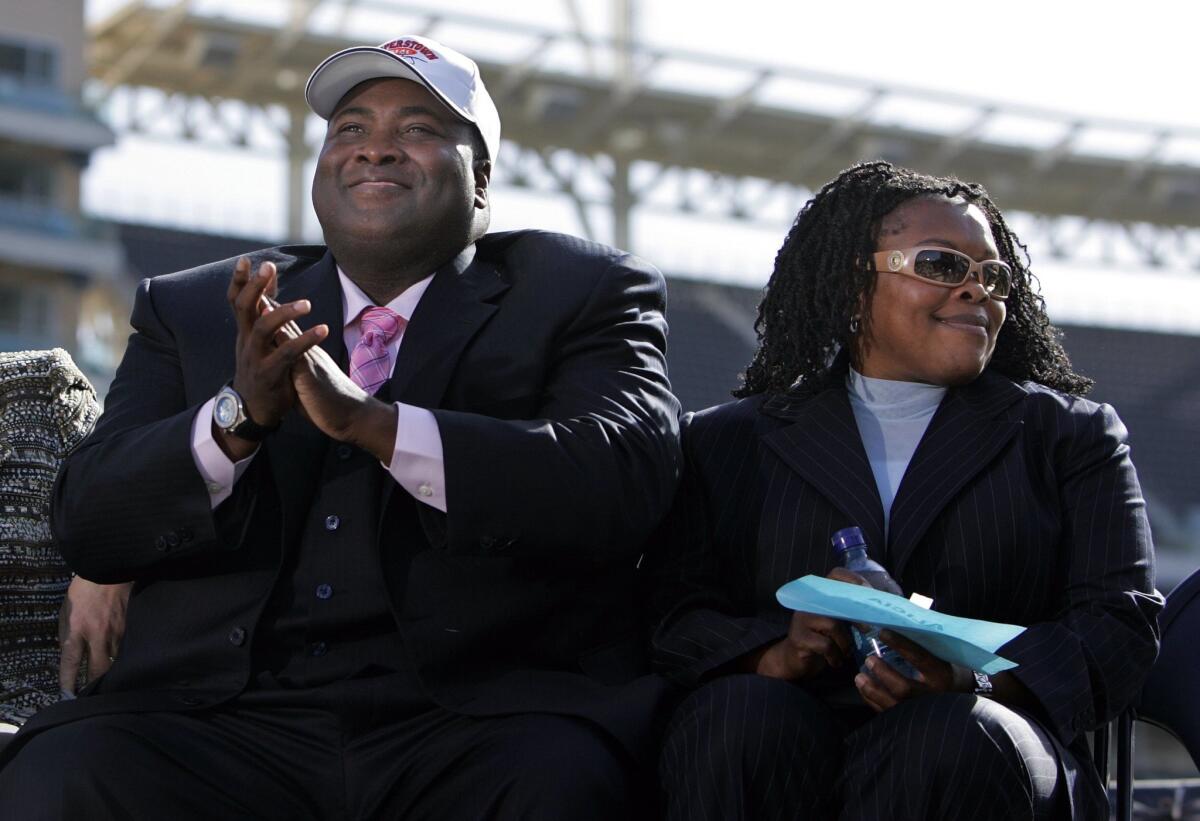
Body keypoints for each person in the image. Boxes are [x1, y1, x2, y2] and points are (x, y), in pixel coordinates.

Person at [0, 35, 681, 819]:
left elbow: (625, 473)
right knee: (61, 772)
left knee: (559, 785)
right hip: (222, 721)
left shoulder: (585, 291)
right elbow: (90, 519)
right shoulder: (192, 307)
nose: (375, 148)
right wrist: (235, 420)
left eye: (419, 128)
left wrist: (379, 424)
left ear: (482, 182)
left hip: (477, 722)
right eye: (349, 128)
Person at [647, 161, 1162, 820]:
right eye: (943, 266)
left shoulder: (1072, 436)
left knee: (953, 732)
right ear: (851, 284)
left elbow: (1119, 626)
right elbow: (669, 616)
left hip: (988, 742)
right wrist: (775, 654)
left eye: (993, 276)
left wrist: (969, 675)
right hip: (786, 733)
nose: (977, 290)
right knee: (736, 718)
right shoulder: (723, 442)